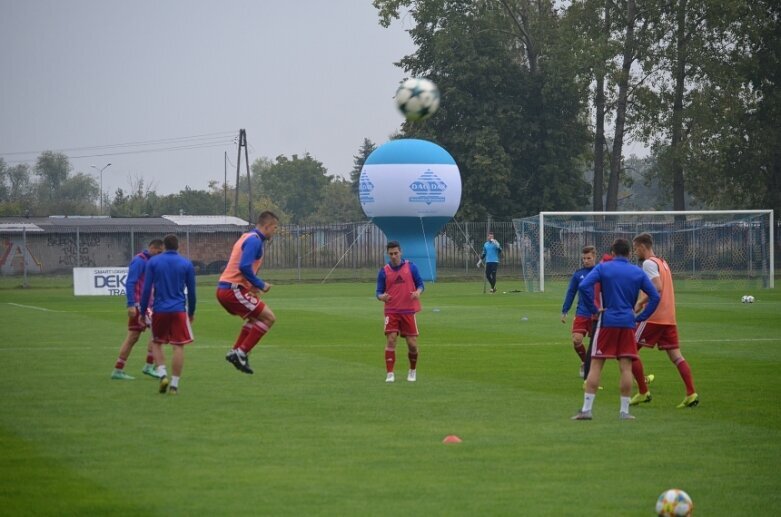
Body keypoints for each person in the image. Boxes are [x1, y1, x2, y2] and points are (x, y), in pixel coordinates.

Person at [572, 238, 660, 421]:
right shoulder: (637, 271)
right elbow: (655, 296)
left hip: (607, 321)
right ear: (629, 253)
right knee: (626, 368)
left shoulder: (604, 268)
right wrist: (641, 317)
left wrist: (594, 309)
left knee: (596, 364)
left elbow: (583, 286)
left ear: (612, 253)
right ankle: (624, 411)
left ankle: (587, 409)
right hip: (628, 323)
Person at [630, 233, 699, 408]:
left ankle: (643, 391)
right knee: (677, 357)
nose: (635, 252)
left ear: (642, 247)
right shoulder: (663, 262)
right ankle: (691, 394)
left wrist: (640, 302)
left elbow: (657, 287)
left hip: (653, 317)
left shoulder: (648, 263)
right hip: (669, 318)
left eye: (635, 248)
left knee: (627, 351)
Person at [217, 211, 279, 375]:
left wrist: (251, 287)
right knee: (269, 318)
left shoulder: (247, 237)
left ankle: (235, 352)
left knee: (255, 318)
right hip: (232, 290)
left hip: (228, 289)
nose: (275, 231)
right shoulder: (254, 240)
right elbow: (243, 267)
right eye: (274, 228)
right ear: (267, 226)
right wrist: (260, 284)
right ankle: (241, 352)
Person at [139, 234, 196, 395]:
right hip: (178, 310)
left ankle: (162, 373)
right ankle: (174, 385)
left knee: (157, 343)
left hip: (160, 309)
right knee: (178, 346)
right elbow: (191, 292)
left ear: (164, 247)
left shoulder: (153, 262)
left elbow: (146, 290)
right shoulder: (186, 263)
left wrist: (143, 312)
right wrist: (191, 312)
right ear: (178, 247)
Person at [111, 239, 164, 380]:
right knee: (157, 333)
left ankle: (118, 369)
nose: (160, 255)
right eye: (159, 252)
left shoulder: (153, 262)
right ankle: (148, 366)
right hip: (140, 305)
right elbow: (130, 282)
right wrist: (131, 304)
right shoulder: (139, 261)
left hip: (149, 305)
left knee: (134, 337)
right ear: (152, 248)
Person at [376, 240, 424, 383]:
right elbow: (378, 292)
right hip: (391, 311)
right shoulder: (384, 271)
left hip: (408, 310)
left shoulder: (411, 267)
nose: (394, 256)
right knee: (391, 339)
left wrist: (418, 292)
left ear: (400, 252)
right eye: (391, 254)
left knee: (412, 344)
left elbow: (421, 284)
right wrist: (381, 297)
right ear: (387, 254)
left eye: (396, 253)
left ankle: (412, 370)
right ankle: (390, 373)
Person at [560, 246, 598, 378]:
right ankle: (584, 362)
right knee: (577, 340)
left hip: (597, 314)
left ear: (594, 257)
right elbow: (571, 292)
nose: (586, 261)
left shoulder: (601, 272)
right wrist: (565, 310)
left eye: (589, 258)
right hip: (582, 312)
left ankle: (590, 367)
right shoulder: (578, 274)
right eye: (584, 258)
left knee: (596, 345)